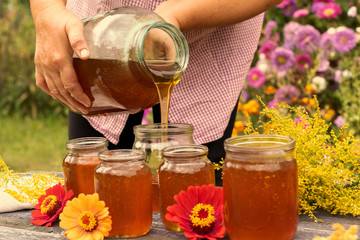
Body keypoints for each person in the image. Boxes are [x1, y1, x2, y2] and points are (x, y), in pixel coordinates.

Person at [29, 0, 282, 186]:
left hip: (213, 30)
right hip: (101, 36)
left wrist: (173, 14)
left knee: (196, 199)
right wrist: (47, 11)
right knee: (92, 190)